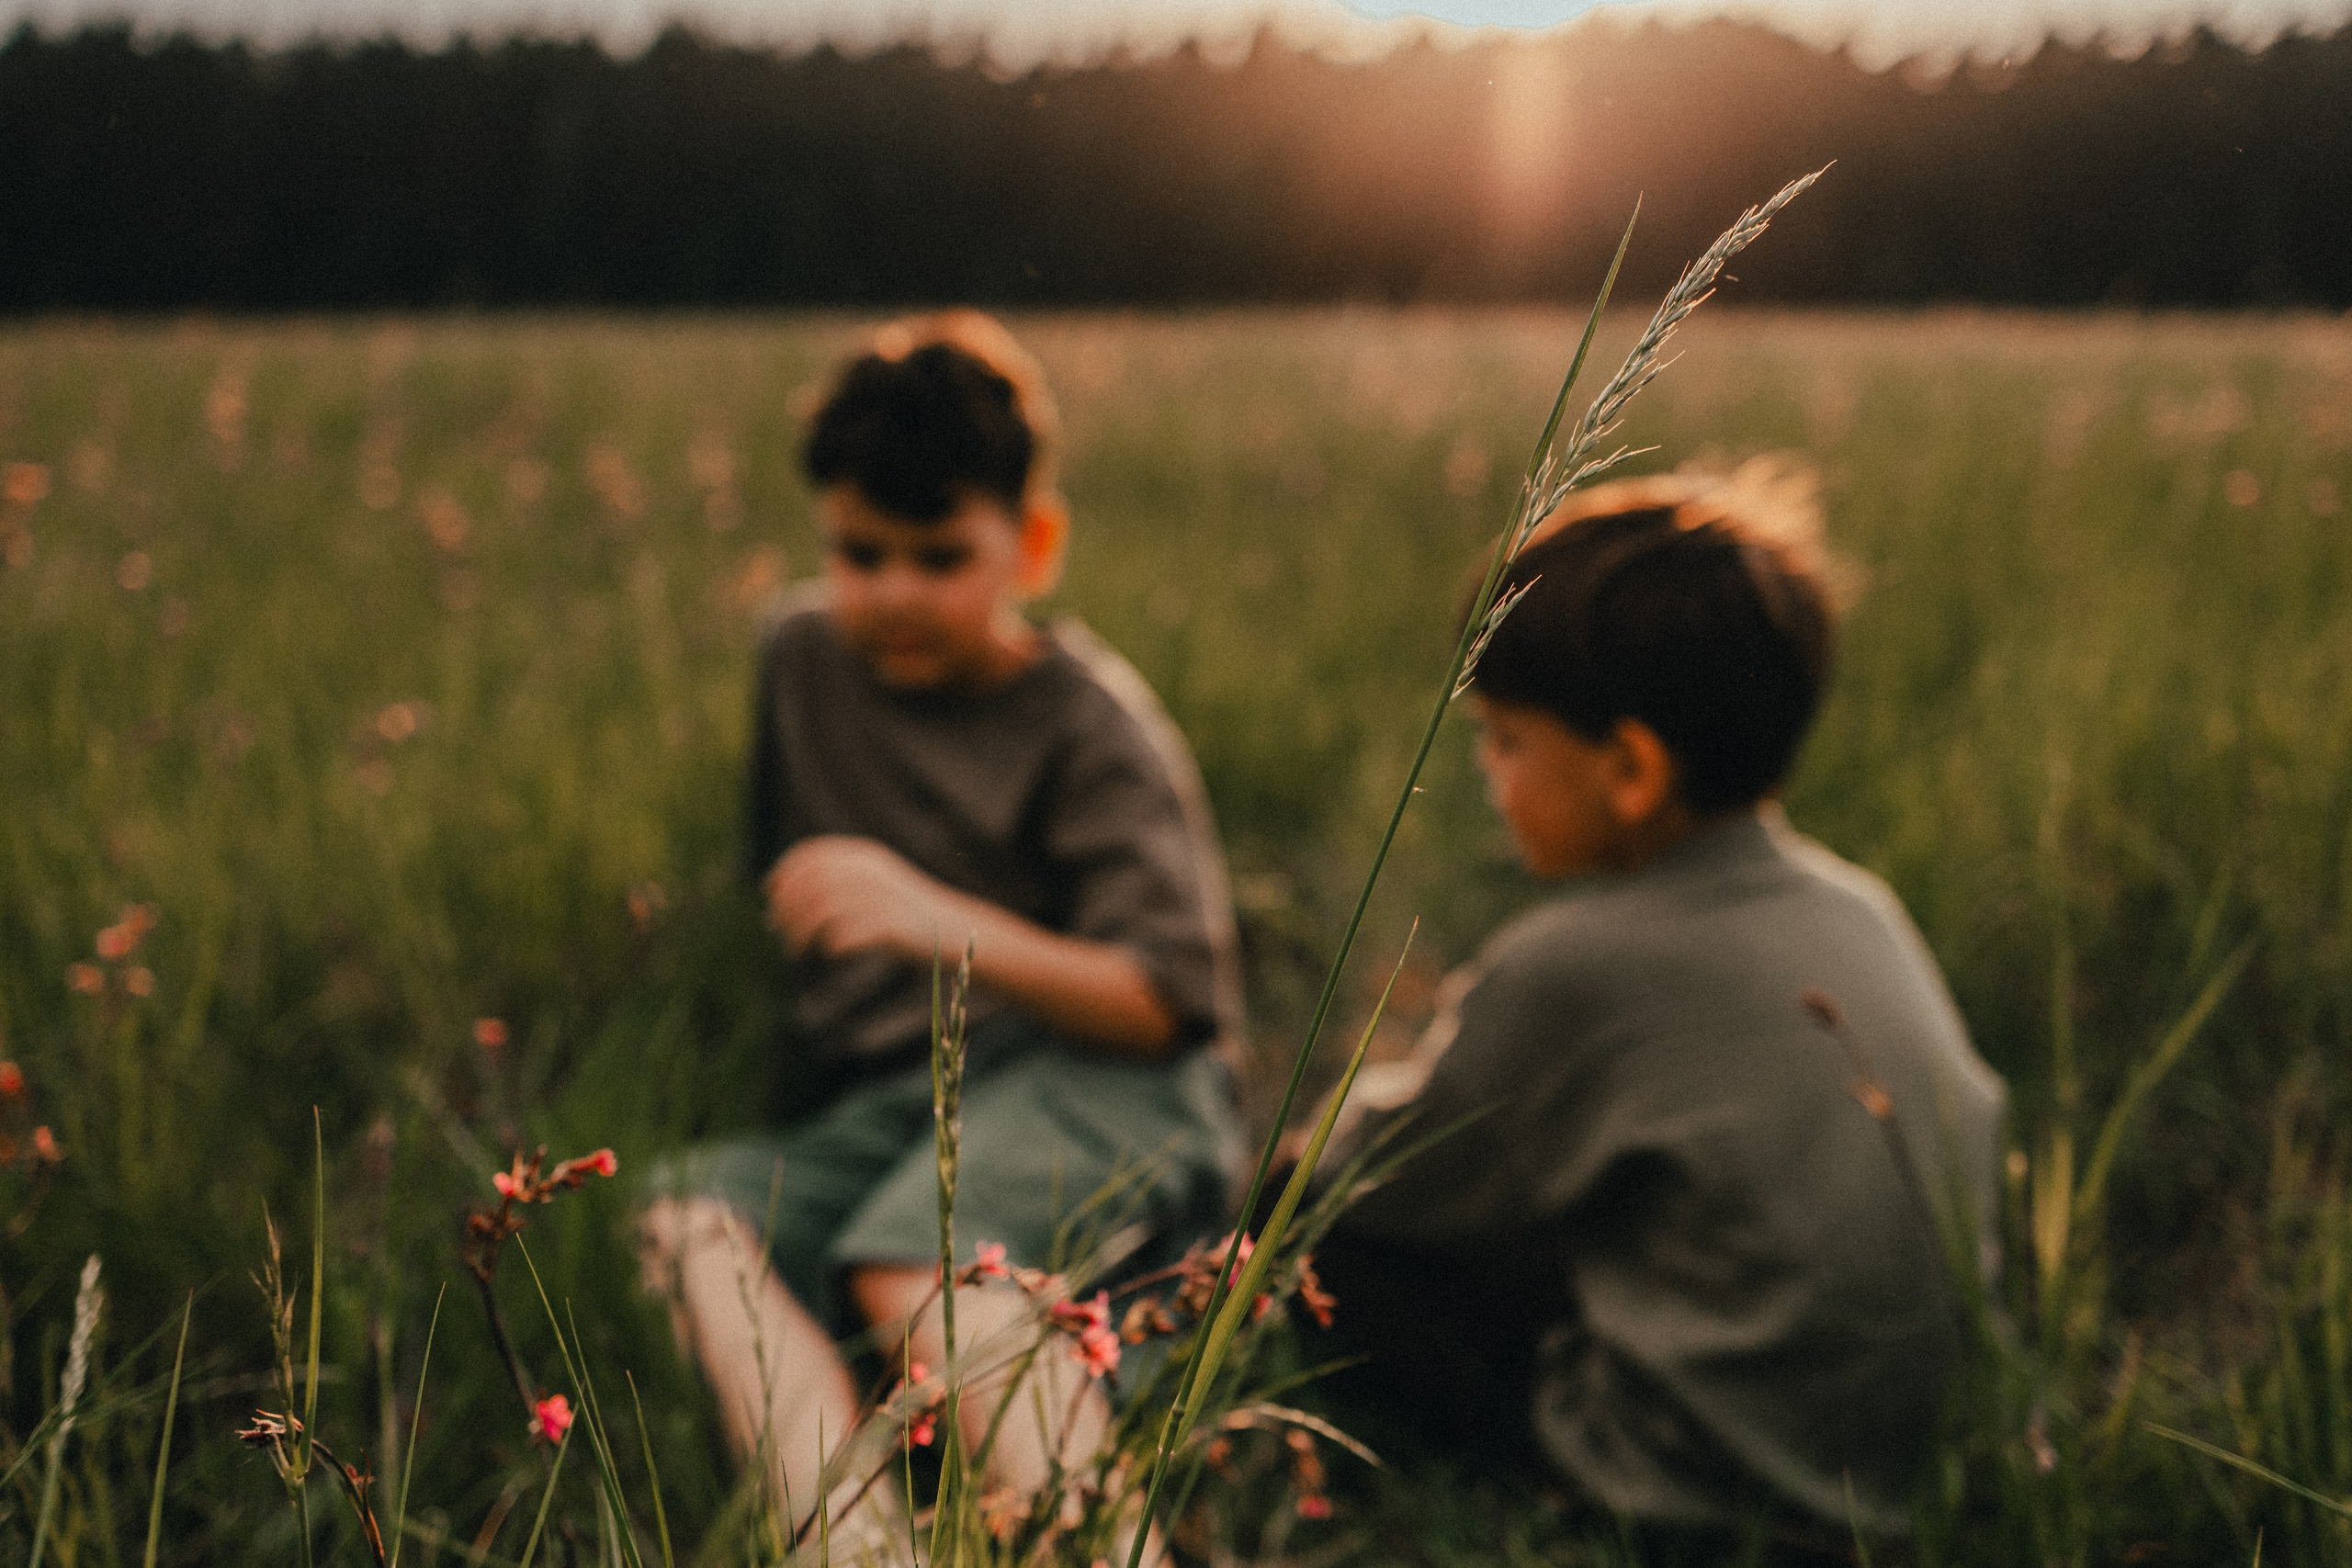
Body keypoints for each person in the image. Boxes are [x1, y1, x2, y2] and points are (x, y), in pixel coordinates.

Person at [1313, 459, 2007, 1544]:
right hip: (1921, 1473)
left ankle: (1534, 1491)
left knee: (1317, 1245)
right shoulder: (1860, 905)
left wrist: (1297, 1159)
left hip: (1703, 1497)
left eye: (1503, 738)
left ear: (1630, 768)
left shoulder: (1570, 962)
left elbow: (1372, 1182)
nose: (1488, 772)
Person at [639, 312, 1245, 1543]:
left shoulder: (1091, 726)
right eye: (861, 552)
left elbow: (1169, 1002)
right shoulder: (800, 655)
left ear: (1033, 544)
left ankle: (1106, 1541)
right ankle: (851, 1535)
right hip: (902, 1105)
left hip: (1105, 1078)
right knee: (688, 1226)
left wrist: (936, 923)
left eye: (939, 554)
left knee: (925, 1274)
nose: (894, 591)